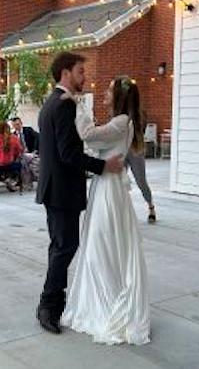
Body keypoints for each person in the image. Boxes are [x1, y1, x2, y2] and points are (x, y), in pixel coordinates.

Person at [35, 52, 123, 334]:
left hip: (54, 189)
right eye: (80, 72)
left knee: (59, 246)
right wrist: (103, 165)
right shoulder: (63, 106)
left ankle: (53, 303)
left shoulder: (53, 102)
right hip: (61, 191)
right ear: (65, 73)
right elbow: (69, 154)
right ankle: (48, 307)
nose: (84, 77)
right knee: (64, 248)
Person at [61, 76, 150, 345]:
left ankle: (107, 303)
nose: (104, 93)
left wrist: (79, 105)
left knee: (102, 246)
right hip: (106, 186)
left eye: (109, 91)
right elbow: (96, 143)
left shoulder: (122, 122)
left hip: (110, 191)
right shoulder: (120, 123)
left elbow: (88, 135)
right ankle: (102, 299)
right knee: (100, 246)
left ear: (120, 97)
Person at [0, 121, 23, 192]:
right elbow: (19, 150)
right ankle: (11, 179)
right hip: (9, 164)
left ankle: (0, 179)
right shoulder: (14, 138)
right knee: (19, 164)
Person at [125, 149, 156, 223]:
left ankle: (151, 207)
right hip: (118, 148)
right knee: (118, 181)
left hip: (134, 148)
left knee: (141, 181)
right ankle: (122, 212)